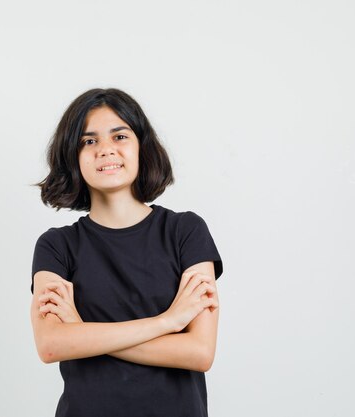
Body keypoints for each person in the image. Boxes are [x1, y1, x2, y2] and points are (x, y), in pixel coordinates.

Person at [30, 88, 224, 417]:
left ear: (141, 147)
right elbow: (51, 345)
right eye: (88, 141)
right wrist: (169, 321)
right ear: (72, 156)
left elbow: (199, 352)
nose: (106, 149)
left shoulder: (186, 231)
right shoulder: (56, 246)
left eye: (119, 135)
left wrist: (83, 331)